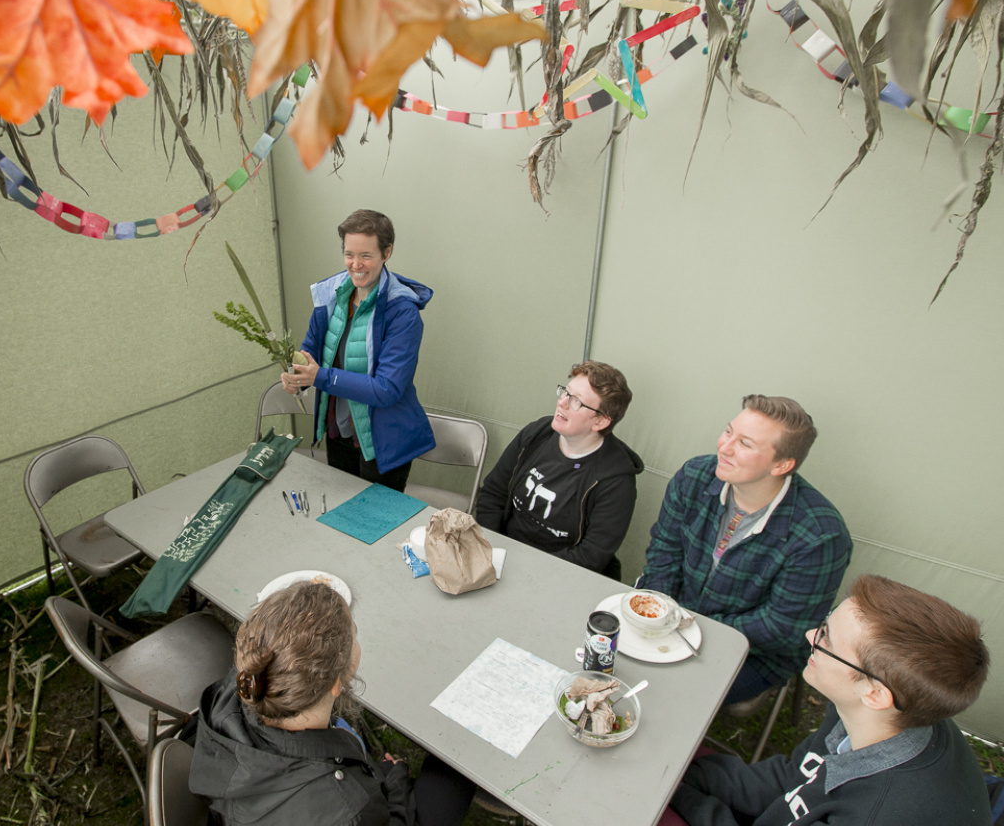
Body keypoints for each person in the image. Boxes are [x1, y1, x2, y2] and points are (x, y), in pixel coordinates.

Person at [595, 574, 1001, 826]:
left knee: (624, 809)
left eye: (825, 638)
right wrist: (680, 777)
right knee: (659, 759)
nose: (810, 635)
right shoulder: (888, 718)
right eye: (824, 623)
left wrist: (679, 799)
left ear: (876, 693)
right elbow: (795, 776)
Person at [189, 582, 479, 826]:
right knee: (455, 769)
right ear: (337, 683)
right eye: (354, 634)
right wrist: (397, 783)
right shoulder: (344, 809)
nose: (358, 640)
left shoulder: (236, 692)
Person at [641, 395, 851, 705]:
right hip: (674, 615)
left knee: (670, 693)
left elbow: (782, 628)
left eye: (745, 444)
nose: (724, 447)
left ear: (782, 464)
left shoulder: (820, 536)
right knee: (613, 654)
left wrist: (689, 629)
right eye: (728, 432)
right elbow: (664, 550)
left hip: (754, 653)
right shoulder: (695, 476)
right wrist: (661, 611)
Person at [280, 209, 434, 492]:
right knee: (340, 518)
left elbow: (386, 389)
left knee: (376, 527)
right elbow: (311, 352)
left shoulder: (402, 312)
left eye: (366, 255)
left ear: (386, 253)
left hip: (384, 441)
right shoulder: (332, 295)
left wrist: (320, 377)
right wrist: (297, 377)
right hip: (340, 432)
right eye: (349, 254)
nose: (356, 264)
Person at [474, 362, 643, 579]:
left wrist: (527, 571)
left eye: (576, 401)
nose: (561, 403)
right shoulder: (537, 434)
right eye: (565, 392)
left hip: (562, 576)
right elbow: (493, 494)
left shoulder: (616, 480)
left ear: (600, 421)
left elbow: (590, 556)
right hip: (503, 557)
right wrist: (493, 550)